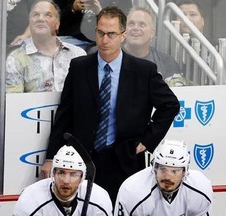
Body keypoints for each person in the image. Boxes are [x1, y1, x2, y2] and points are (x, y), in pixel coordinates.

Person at [42, 6, 180, 204]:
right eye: (100, 33)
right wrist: (50, 157)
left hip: (124, 160)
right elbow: (64, 115)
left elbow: (170, 106)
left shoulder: (143, 71)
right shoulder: (79, 67)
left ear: (122, 36)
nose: (104, 40)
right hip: (82, 160)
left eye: (111, 34)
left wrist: (146, 142)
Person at [114, 139, 213, 216]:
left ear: (184, 172)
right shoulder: (132, 191)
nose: (168, 177)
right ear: (154, 169)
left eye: (174, 171)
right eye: (163, 169)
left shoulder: (200, 189)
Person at [5, 0, 86, 93]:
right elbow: (14, 103)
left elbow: (84, 96)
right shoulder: (15, 59)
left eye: (48, 15)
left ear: (57, 23)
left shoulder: (77, 55)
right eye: (35, 15)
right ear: (29, 22)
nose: (40, 19)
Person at [13, 144, 113, 215]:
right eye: (61, 173)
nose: (66, 181)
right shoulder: (31, 199)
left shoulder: (98, 199)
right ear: (52, 174)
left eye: (73, 175)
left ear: (82, 178)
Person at [123, 6, 187, 87]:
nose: (135, 28)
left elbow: (178, 95)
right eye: (131, 24)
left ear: (152, 33)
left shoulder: (167, 63)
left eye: (142, 25)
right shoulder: (111, 58)